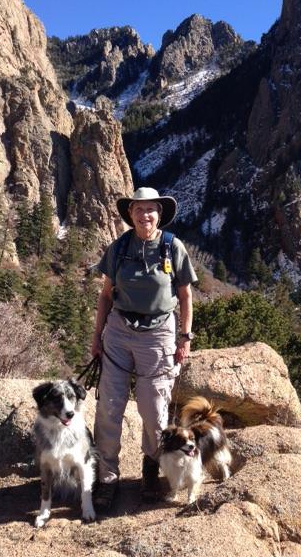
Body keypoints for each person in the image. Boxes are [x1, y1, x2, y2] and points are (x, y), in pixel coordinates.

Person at [92, 187, 198, 508]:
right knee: (109, 408)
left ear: (159, 214)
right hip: (119, 332)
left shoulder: (172, 247)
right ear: (131, 214)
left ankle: (151, 468)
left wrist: (184, 337)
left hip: (158, 335)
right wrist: (97, 337)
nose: (144, 215)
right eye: (138, 210)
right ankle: (107, 477)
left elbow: (185, 296)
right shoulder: (119, 247)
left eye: (150, 209)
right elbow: (106, 295)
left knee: (153, 410)